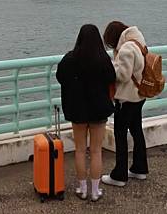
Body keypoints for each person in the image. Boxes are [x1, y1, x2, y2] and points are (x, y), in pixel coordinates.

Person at [56, 24, 116, 202]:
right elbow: (112, 79)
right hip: (98, 109)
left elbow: (60, 77)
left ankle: (82, 189)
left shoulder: (69, 59)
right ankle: (95, 191)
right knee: (96, 151)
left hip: (77, 109)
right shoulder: (103, 59)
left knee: (80, 150)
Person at [101, 21, 149, 187]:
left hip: (127, 98)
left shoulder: (127, 48)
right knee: (136, 131)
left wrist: (110, 67)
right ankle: (139, 168)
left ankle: (119, 175)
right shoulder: (138, 41)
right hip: (139, 96)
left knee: (120, 135)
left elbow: (123, 75)